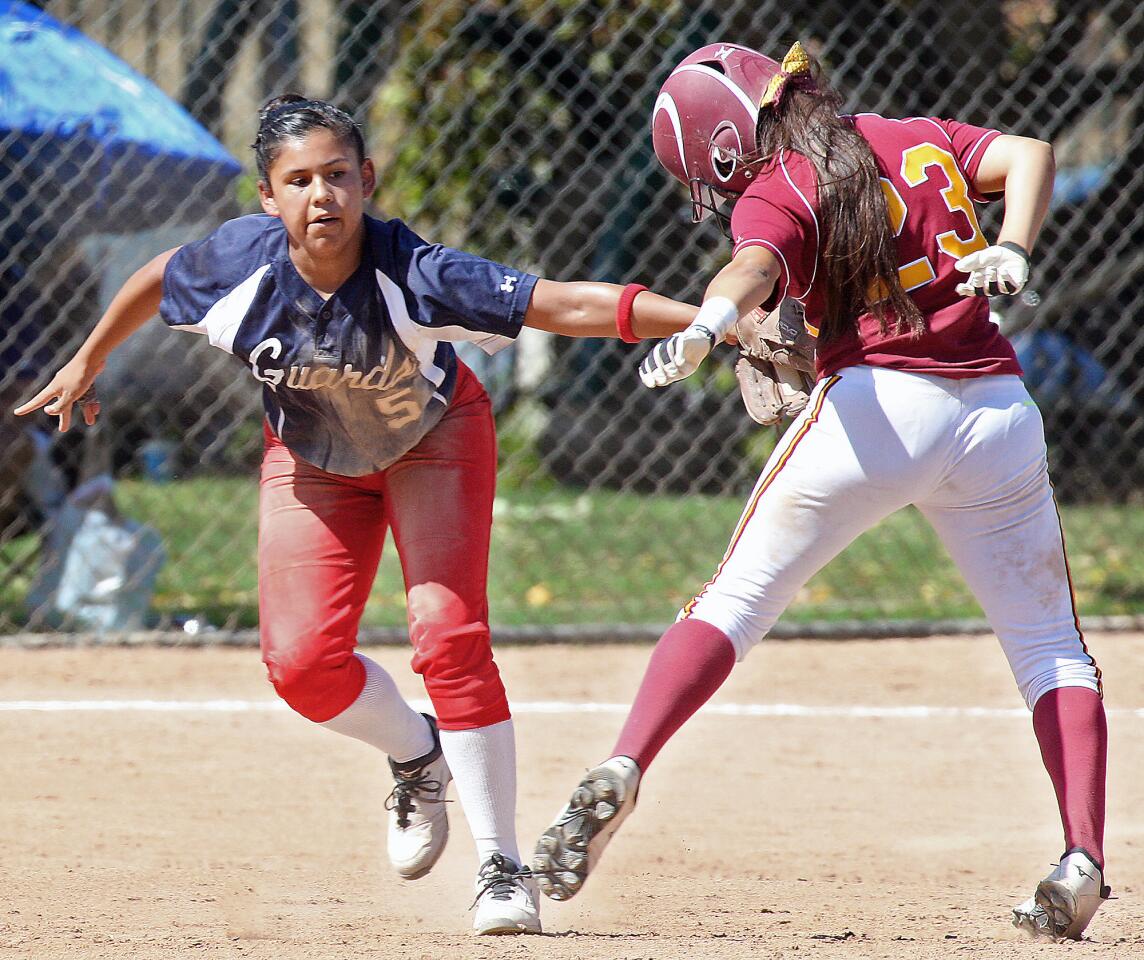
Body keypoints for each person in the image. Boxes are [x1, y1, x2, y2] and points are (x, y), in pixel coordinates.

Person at [14, 94, 697, 936]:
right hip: (314, 460)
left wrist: (711, 322)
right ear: (268, 198)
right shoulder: (237, 265)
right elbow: (161, 276)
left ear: (366, 180)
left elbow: (567, 305)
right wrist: (89, 357)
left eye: (338, 175)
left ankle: (500, 867)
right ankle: (419, 752)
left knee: (448, 638)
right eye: (297, 181)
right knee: (300, 666)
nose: (321, 196)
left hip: (434, 441)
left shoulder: (414, 272)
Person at [531, 41, 1110, 943]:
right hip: (1000, 412)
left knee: (734, 601)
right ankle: (1083, 858)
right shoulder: (908, 134)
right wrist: (1012, 246)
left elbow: (751, 269)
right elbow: (1030, 151)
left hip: (880, 411)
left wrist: (706, 329)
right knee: (1050, 650)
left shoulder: (779, 185)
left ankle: (624, 762)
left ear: (725, 148)